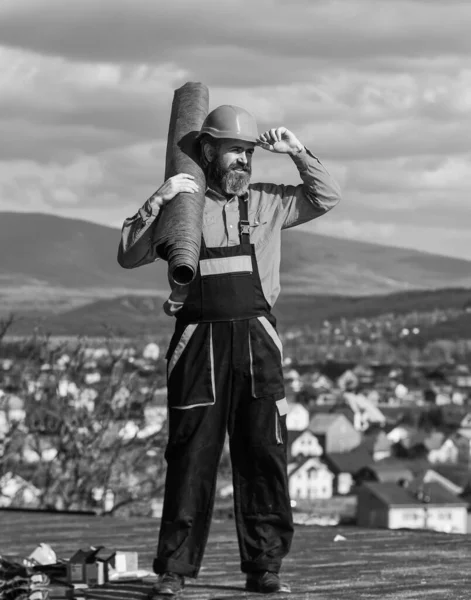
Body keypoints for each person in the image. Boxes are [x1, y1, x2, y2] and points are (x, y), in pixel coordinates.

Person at [117, 105, 341, 597]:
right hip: (196, 344)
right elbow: (128, 253)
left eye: (249, 152)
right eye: (235, 150)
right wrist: (160, 199)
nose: (244, 160)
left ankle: (265, 567)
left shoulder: (267, 202)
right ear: (210, 151)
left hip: (258, 344)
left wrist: (297, 152)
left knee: (264, 454)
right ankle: (173, 570)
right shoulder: (183, 208)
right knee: (191, 457)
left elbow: (327, 197)